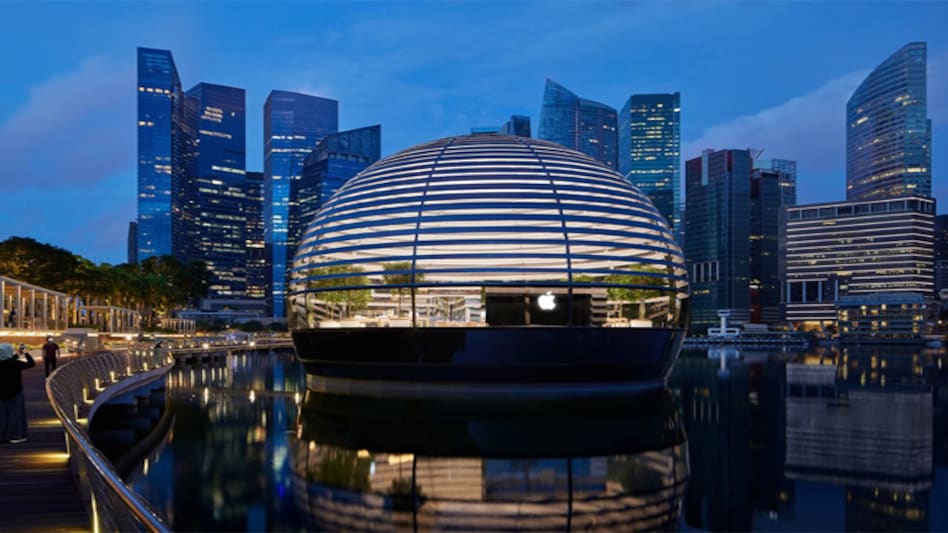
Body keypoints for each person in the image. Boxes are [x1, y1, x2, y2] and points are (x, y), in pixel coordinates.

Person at [0, 343, 35, 443]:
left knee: (2, 415)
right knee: (15, 415)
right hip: (15, 392)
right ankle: (14, 435)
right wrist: (25, 354)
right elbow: (31, 364)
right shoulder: (14, 363)